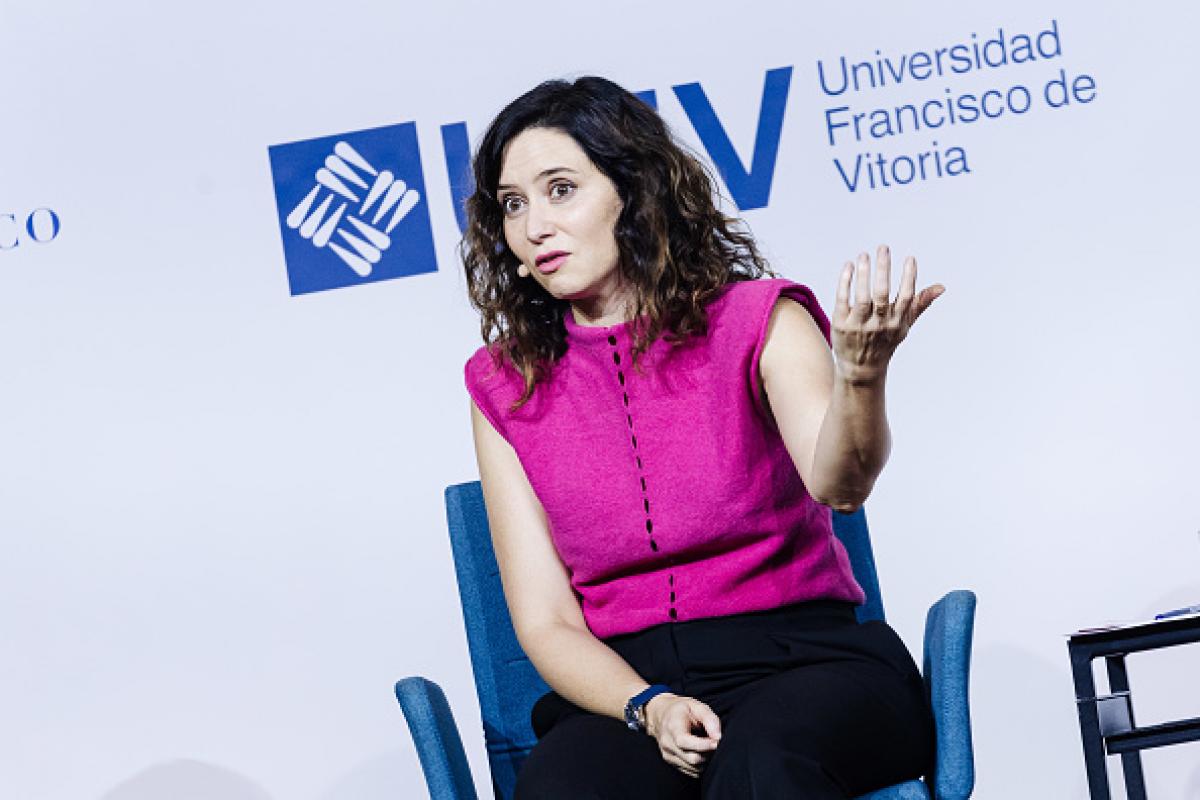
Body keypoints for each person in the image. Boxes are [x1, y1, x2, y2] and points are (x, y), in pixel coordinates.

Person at [460, 75, 945, 800]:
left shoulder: (759, 317)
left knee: (763, 765)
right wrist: (645, 704)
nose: (534, 226)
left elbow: (840, 486)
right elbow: (547, 621)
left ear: (634, 191)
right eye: (513, 204)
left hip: (805, 665)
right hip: (629, 691)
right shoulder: (505, 382)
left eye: (561, 190)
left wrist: (863, 378)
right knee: (564, 788)